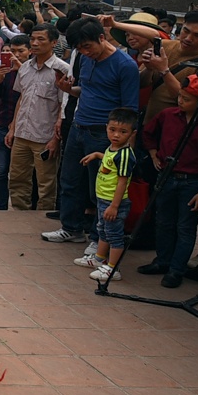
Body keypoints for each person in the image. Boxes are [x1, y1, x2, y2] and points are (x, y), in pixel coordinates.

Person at [43, 17, 140, 247]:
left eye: (88, 46)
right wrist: (68, 89)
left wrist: (123, 145)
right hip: (79, 126)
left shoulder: (125, 65)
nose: (85, 52)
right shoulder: (86, 60)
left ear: (102, 37)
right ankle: (71, 228)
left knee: (101, 188)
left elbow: (129, 110)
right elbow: (87, 90)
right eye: (80, 49)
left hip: (104, 134)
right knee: (70, 181)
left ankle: (99, 239)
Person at [138, 75, 198, 288]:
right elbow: (148, 133)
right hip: (167, 176)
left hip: (193, 181)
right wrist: (153, 154)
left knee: (186, 226)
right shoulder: (168, 115)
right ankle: (162, 260)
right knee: (163, 221)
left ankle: (176, 269)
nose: (181, 101)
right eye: (180, 97)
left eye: (187, 99)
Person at [8, 25, 71, 212]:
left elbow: (63, 106)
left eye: (41, 39)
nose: (35, 43)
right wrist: (12, 129)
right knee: (17, 179)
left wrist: (55, 139)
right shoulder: (25, 67)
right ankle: (19, 215)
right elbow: (21, 98)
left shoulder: (62, 70)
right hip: (21, 134)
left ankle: (42, 218)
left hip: (44, 137)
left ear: (54, 42)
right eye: (32, 39)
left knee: (46, 184)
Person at [81, 108, 139, 281]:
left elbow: (122, 181)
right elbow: (109, 161)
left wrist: (114, 206)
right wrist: (97, 155)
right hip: (103, 199)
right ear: (106, 127)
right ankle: (99, 259)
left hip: (114, 202)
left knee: (114, 235)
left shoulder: (125, 155)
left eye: (123, 132)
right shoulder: (112, 148)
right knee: (103, 230)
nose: (116, 135)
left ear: (132, 133)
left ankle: (113, 269)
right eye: (112, 130)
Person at [0, 39, 27, 210]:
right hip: (2, 122)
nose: (15, 55)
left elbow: (29, 93)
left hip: (24, 127)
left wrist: (21, 70)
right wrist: (1, 79)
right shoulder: (2, 70)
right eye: (11, 52)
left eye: (20, 51)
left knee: (21, 172)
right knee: (0, 170)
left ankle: (23, 206)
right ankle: (1, 206)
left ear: (29, 52)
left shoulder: (30, 71)